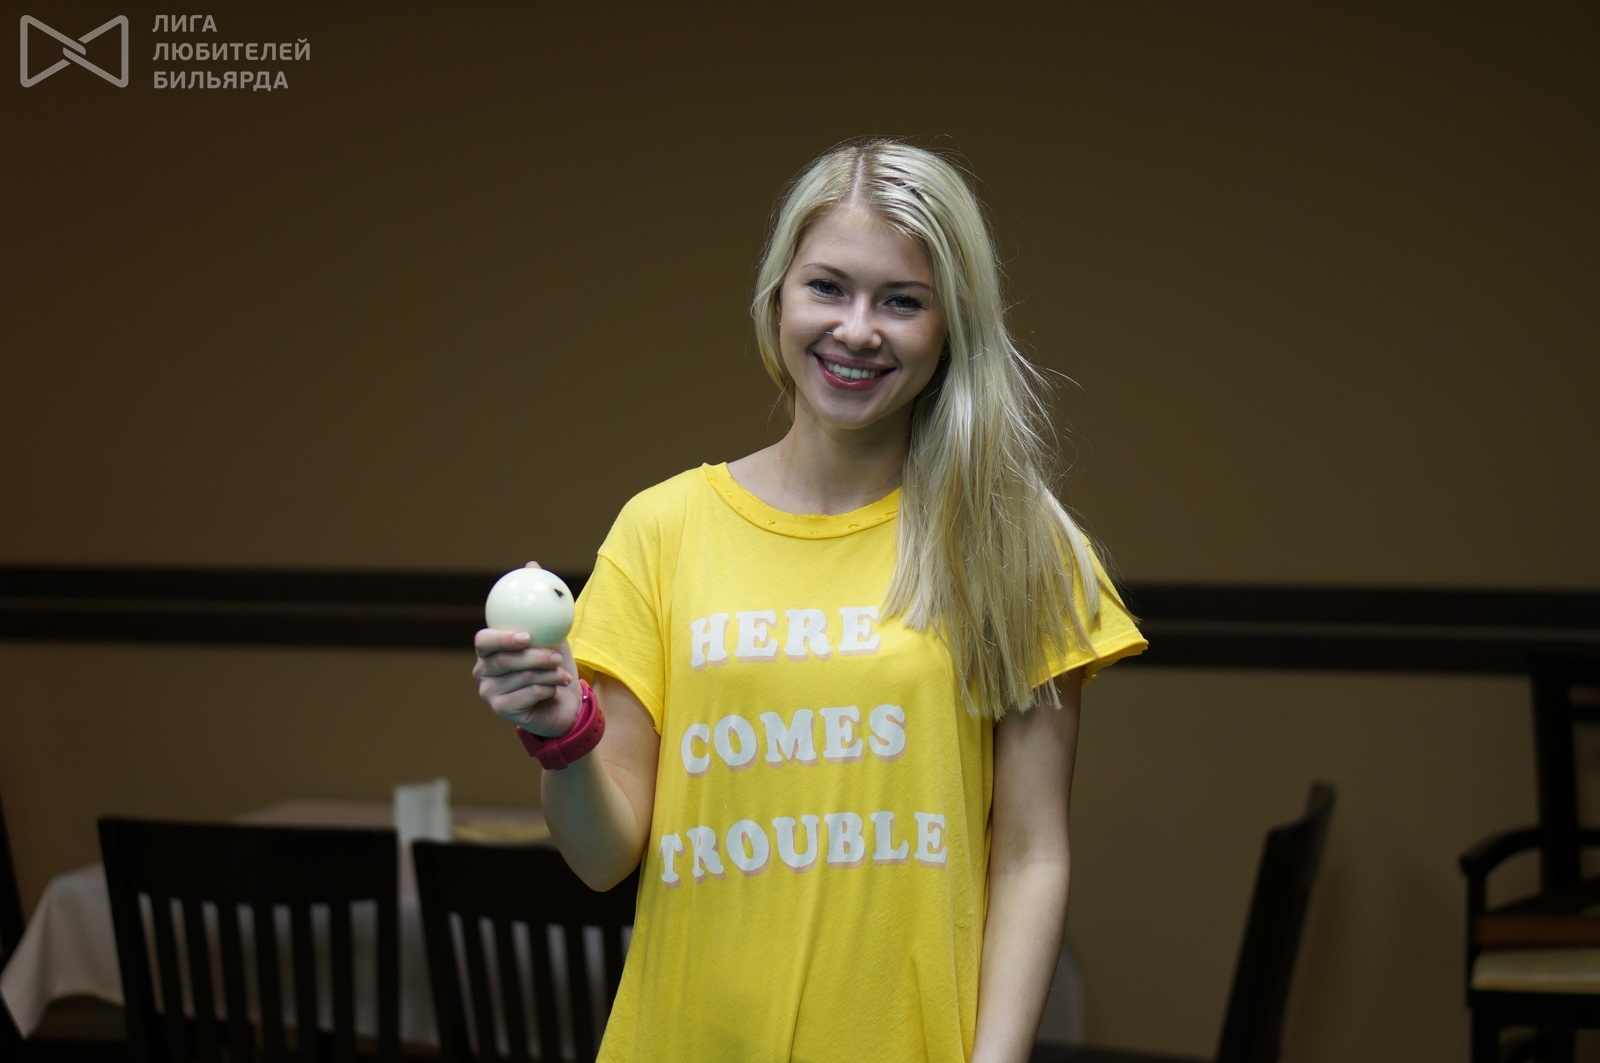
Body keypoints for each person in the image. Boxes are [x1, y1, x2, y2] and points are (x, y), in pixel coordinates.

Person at [472, 138, 1146, 1063]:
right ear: (777, 298)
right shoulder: (661, 530)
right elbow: (601, 858)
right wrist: (561, 733)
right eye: (827, 287)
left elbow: (1032, 857)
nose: (857, 330)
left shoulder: (1015, 543)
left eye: (902, 300)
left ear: (951, 325)